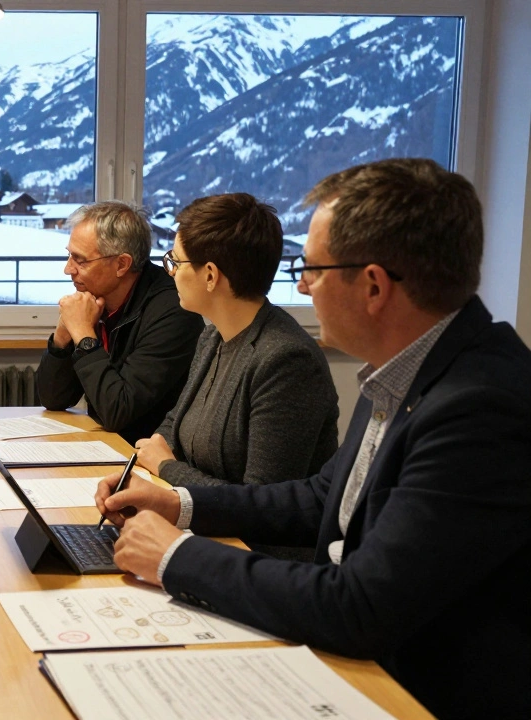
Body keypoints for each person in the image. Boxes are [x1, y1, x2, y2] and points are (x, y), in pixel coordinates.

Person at [95, 159, 531, 719]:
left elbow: (362, 606)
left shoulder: (480, 406)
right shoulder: (405, 369)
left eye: (314, 269)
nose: (300, 284)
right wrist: (177, 502)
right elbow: (320, 497)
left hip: (411, 693)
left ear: (373, 285)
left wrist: (177, 556)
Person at [139, 193, 338, 492]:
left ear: (210, 275)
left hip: (249, 539)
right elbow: (173, 425)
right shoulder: (213, 335)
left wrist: (166, 468)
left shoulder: (286, 360)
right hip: (198, 522)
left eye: (176, 262)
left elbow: (262, 503)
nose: (172, 273)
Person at [35, 202, 204, 445]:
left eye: (80, 260)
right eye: (69, 255)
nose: (67, 269)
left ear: (122, 264)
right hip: (109, 449)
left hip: (151, 461)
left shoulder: (173, 313)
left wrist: (83, 334)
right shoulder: (95, 300)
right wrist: (62, 337)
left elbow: (116, 412)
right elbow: (54, 399)